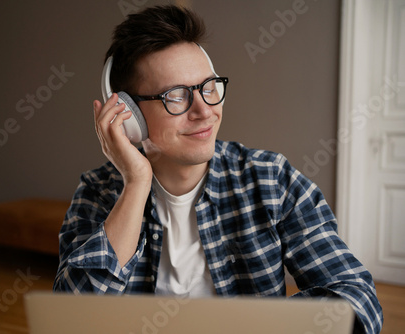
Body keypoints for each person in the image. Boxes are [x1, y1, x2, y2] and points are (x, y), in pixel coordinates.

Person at [54, 5, 383, 334]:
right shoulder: (98, 193)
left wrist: (263, 324)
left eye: (208, 87)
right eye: (176, 96)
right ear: (130, 118)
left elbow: (356, 297)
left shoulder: (271, 180)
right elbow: (69, 322)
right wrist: (136, 184)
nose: (204, 110)